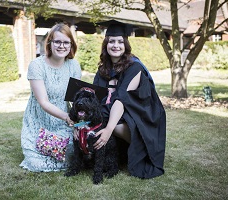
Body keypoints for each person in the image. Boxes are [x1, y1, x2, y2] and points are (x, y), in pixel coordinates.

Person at [93, 20, 166, 179]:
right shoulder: (103, 70)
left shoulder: (134, 67)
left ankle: (144, 151)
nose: (116, 45)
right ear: (106, 44)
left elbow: (122, 99)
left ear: (126, 44)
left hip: (141, 114)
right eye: (111, 41)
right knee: (100, 116)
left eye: (120, 41)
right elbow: (96, 97)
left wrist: (107, 130)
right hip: (120, 111)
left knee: (112, 123)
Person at [20, 23, 82, 172]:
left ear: (71, 45)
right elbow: (43, 102)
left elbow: (76, 100)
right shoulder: (37, 65)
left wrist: (77, 124)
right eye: (57, 42)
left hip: (64, 123)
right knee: (36, 163)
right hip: (39, 122)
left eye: (66, 42)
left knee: (75, 152)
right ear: (49, 43)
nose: (62, 46)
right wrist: (67, 117)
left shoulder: (74, 65)